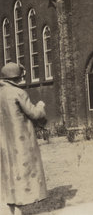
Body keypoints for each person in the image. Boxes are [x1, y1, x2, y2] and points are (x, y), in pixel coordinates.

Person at [0, 62, 47, 215]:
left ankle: (11, 204)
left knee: (9, 169)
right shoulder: (18, 93)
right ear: (16, 77)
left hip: (4, 139)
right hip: (20, 138)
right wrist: (40, 106)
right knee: (24, 168)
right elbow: (34, 114)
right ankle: (24, 200)